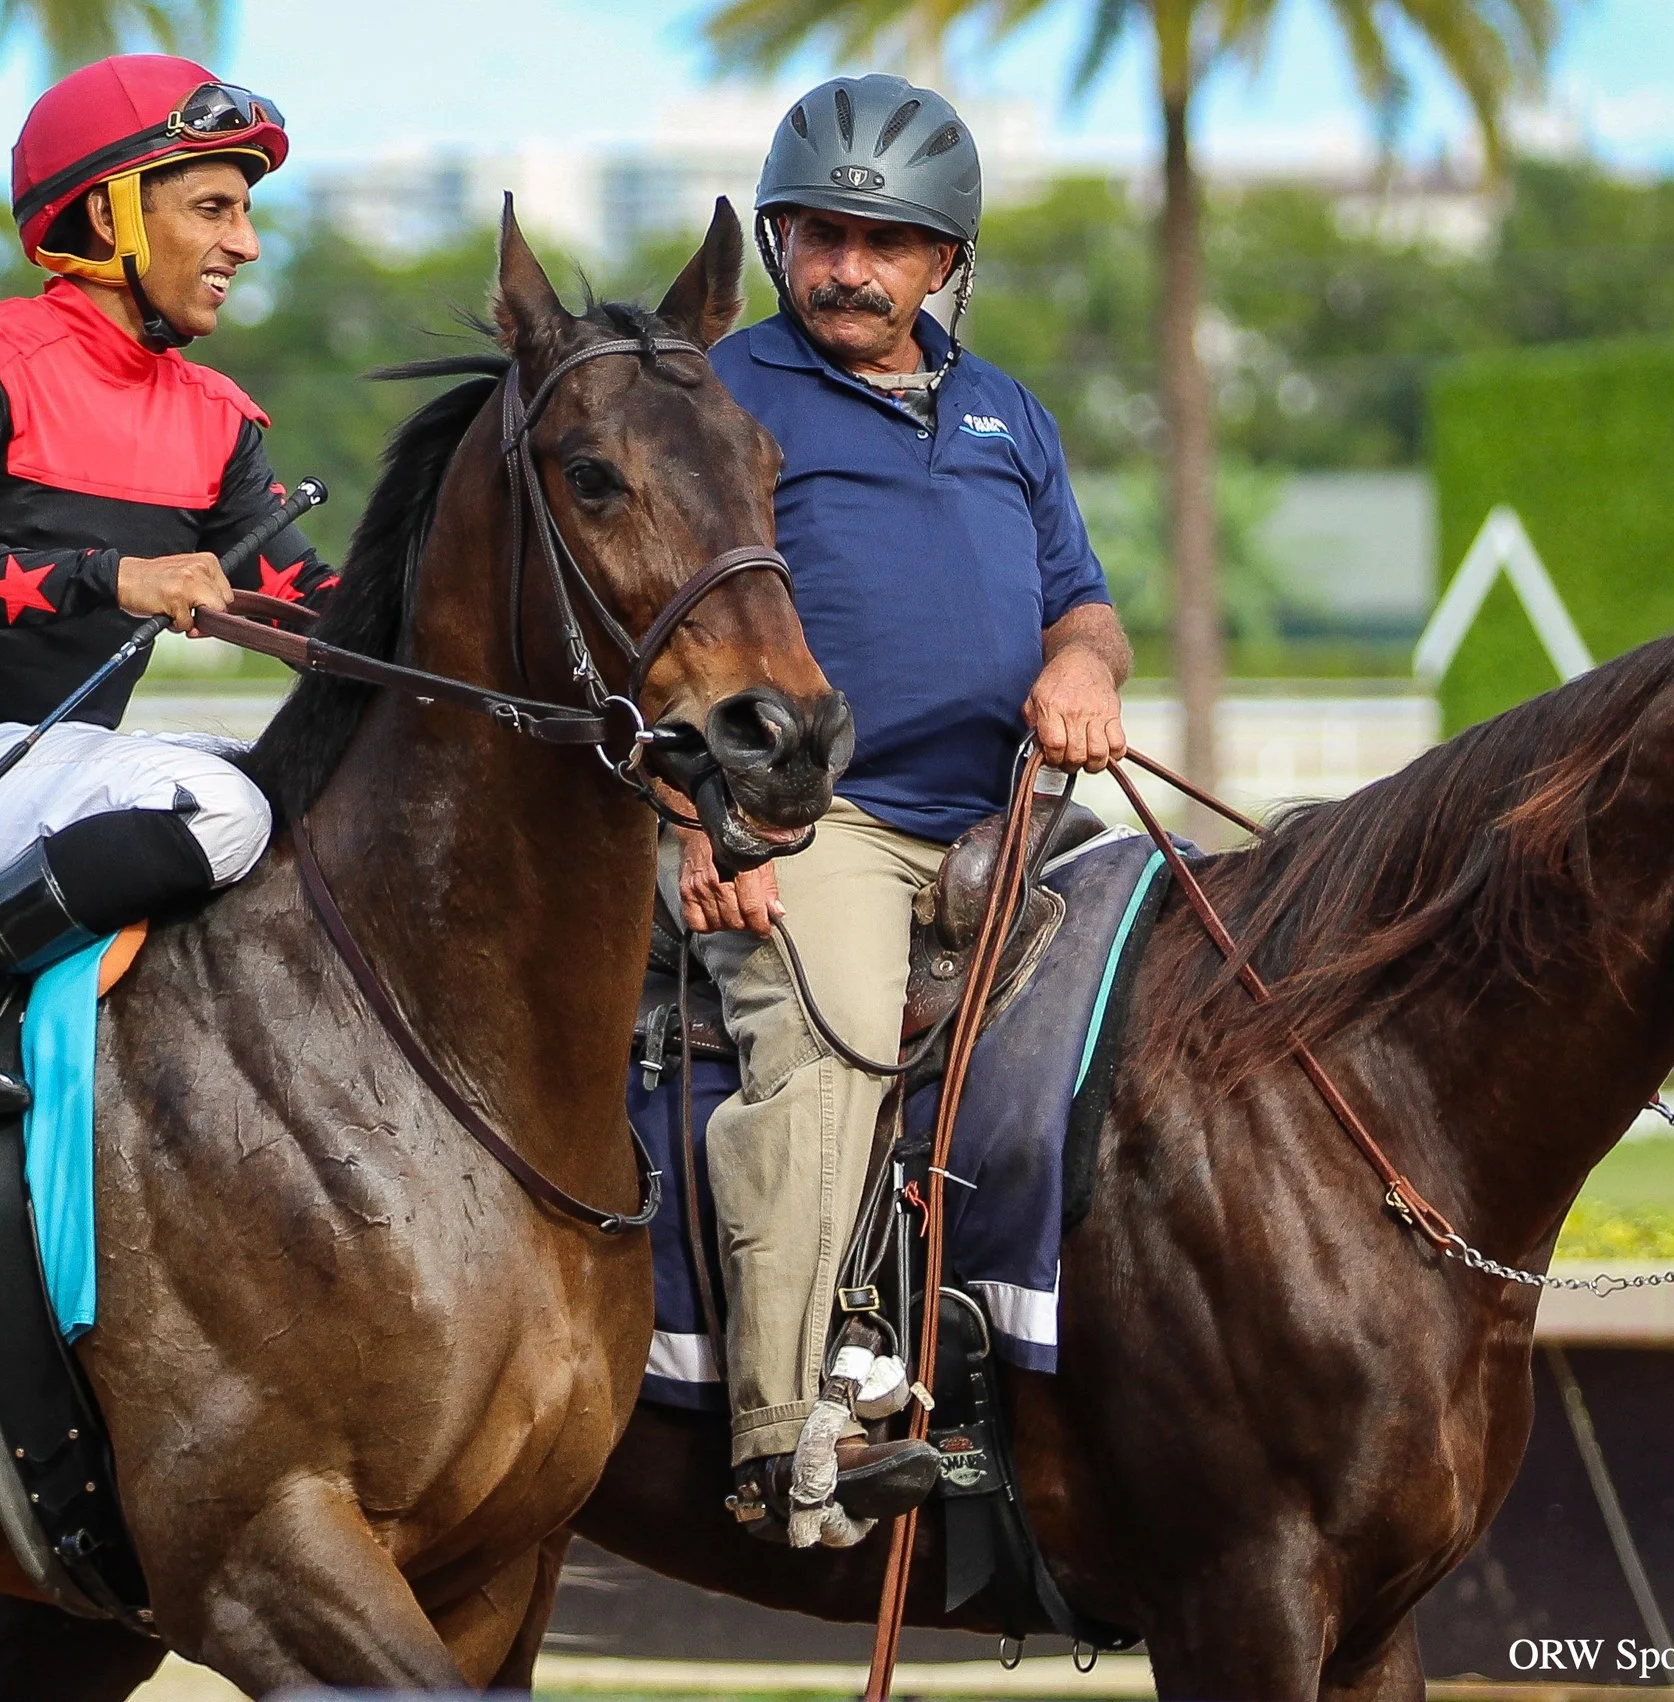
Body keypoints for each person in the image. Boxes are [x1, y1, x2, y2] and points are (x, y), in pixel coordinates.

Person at [679, 74, 1132, 1545]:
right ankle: (778, 1440)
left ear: (949, 263)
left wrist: (1079, 661)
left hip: (1019, 819)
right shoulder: (724, 395)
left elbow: (1088, 605)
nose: (848, 268)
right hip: (825, 823)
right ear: (779, 242)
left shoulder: (1009, 411)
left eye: (886, 242)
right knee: (830, 1052)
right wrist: (708, 827)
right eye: (818, 233)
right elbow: (650, 633)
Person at [0, 55, 338, 1119]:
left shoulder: (215, 413)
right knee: (223, 810)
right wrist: (120, 578)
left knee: (297, 785)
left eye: (245, 213)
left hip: (68, 771)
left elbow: (304, 601)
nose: (243, 242)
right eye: (212, 209)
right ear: (108, 217)